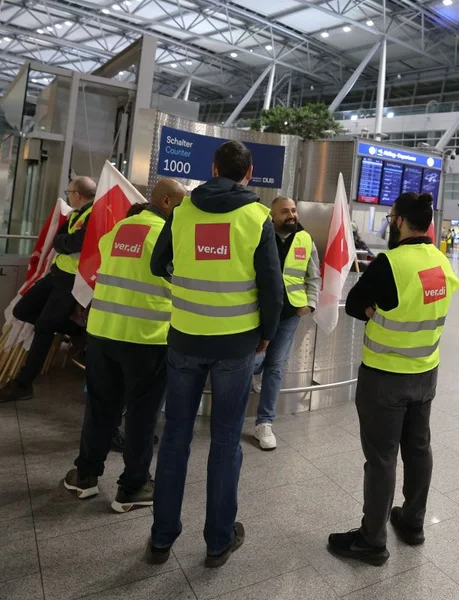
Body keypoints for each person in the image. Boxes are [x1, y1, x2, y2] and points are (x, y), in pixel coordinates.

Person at [146, 141, 284, 568]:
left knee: (174, 439)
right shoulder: (257, 216)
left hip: (185, 338)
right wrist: (266, 335)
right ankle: (218, 541)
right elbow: (272, 288)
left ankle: (162, 538)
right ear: (250, 173)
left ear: (213, 168)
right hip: (236, 345)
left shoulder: (183, 211)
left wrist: (188, 280)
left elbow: (158, 264)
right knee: (225, 440)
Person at [327, 192, 459, 566]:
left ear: (399, 220)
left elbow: (355, 304)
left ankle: (372, 539)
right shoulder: (441, 262)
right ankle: (413, 523)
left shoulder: (390, 263)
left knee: (382, 457)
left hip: (385, 378)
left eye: (391, 218)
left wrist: (373, 307)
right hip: (425, 374)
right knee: (418, 449)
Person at [62, 178, 187, 511]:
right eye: (182, 202)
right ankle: (133, 486)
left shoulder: (117, 230)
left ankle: (85, 475)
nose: (186, 209)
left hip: (103, 333)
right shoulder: (170, 235)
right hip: (147, 337)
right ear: (165, 202)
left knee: (101, 409)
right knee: (142, 416)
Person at [0, 177, 98, 403]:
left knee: (45, 327)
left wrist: (64, 243)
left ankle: (23, 383)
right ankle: (80, 331)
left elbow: (76, 243)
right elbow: (60, 241)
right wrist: (64, 243)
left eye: (69, 192)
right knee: (22, 310)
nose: (67, 196)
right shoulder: (77, 214)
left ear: (77, 195)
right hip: (57, 274)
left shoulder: (94, 214)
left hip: (73, 280)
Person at [249, 196, 321, 451]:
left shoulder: (305, 239)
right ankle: (254, 375)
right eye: (284, 211)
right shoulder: (258, 235)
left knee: (276, 366)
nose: (291, 215)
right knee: (252, 361)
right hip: (257, 312)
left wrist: (310, 304)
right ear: (272, 215)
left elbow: (314, 276)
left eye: (293, 210)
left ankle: (264, 423)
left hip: (290, 313)